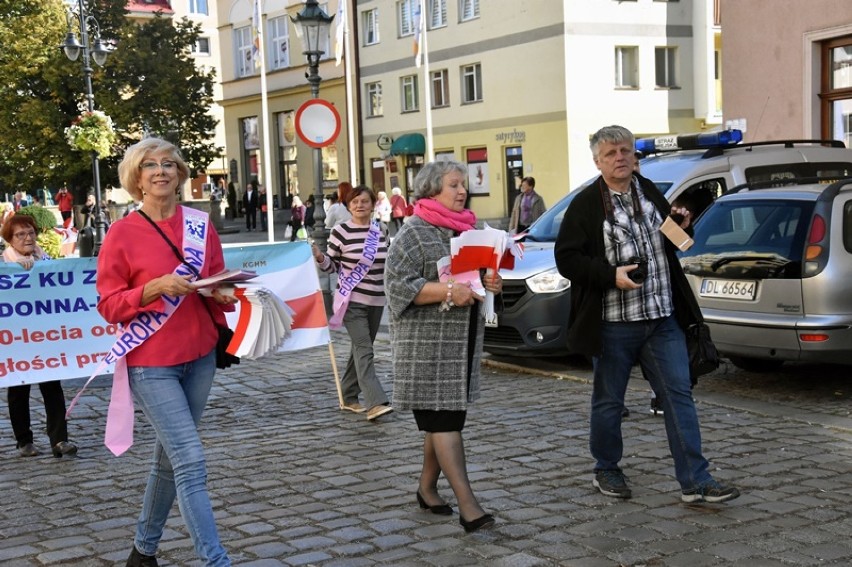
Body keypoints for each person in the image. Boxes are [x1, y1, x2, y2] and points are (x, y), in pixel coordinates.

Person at [554, 125, 740, 504]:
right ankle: (606, 467)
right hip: (612, 324)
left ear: (634, 156)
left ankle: (696, 481)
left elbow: (669, 241)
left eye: (625, 151)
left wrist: (681, 228)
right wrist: (610, 276)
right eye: (610, 154)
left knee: (678, 396)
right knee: (609, 401)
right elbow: (567, 259)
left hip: (660, 319)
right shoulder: (587, 204)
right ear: (598, 162)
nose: (620, 158)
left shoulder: (650, 192)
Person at [97, 137, 236, 566]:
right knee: (190, 461)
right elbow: (108, 305)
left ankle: (143, 550)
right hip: (152, 364)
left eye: (168, 164)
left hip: (199, 357)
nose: (160, 171)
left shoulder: (200, 225)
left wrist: (225, 294)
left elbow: (216, 281)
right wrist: (153, 288)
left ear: (179, 174)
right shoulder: (122, 233)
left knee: (169, 460)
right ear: (136, 179)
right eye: (149, 165)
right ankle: (217, 561)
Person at [385, 160, 503, 533]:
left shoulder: (471, 231)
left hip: (461, 343)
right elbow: (398, 287)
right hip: (426, 349)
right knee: (444, 423)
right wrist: (450, 290)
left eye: (463, 185)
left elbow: (479, 279)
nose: (462, 191)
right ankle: (469, 506)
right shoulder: (412, 233)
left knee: (444, 422)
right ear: (432, 189)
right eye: (453, 184)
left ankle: (426, 488)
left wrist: (490, 284)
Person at [313, 185, 392, 421]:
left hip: (376, 299)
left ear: (372, 205)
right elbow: (333, 266)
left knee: (360, 347)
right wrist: (319, 257)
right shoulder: (341, 231)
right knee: (365, 348)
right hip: (351, 299)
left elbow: (387, 261)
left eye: (364, 201)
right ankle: (375, 401)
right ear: (348, 205)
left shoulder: (382, 230)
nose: (360, 205)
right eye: (355, 201)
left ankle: (348, 395)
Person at [2, 215, 78, 459]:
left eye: (31, 233)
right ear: (10, 240)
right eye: (21, 235)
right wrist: (18, 270)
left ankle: (59, 440)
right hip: (16, 339)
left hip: (45, 337)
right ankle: (24, 441)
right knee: (18, 390)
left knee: (52, 386)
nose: (28, 238)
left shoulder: (45, 259)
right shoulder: (4, 264)